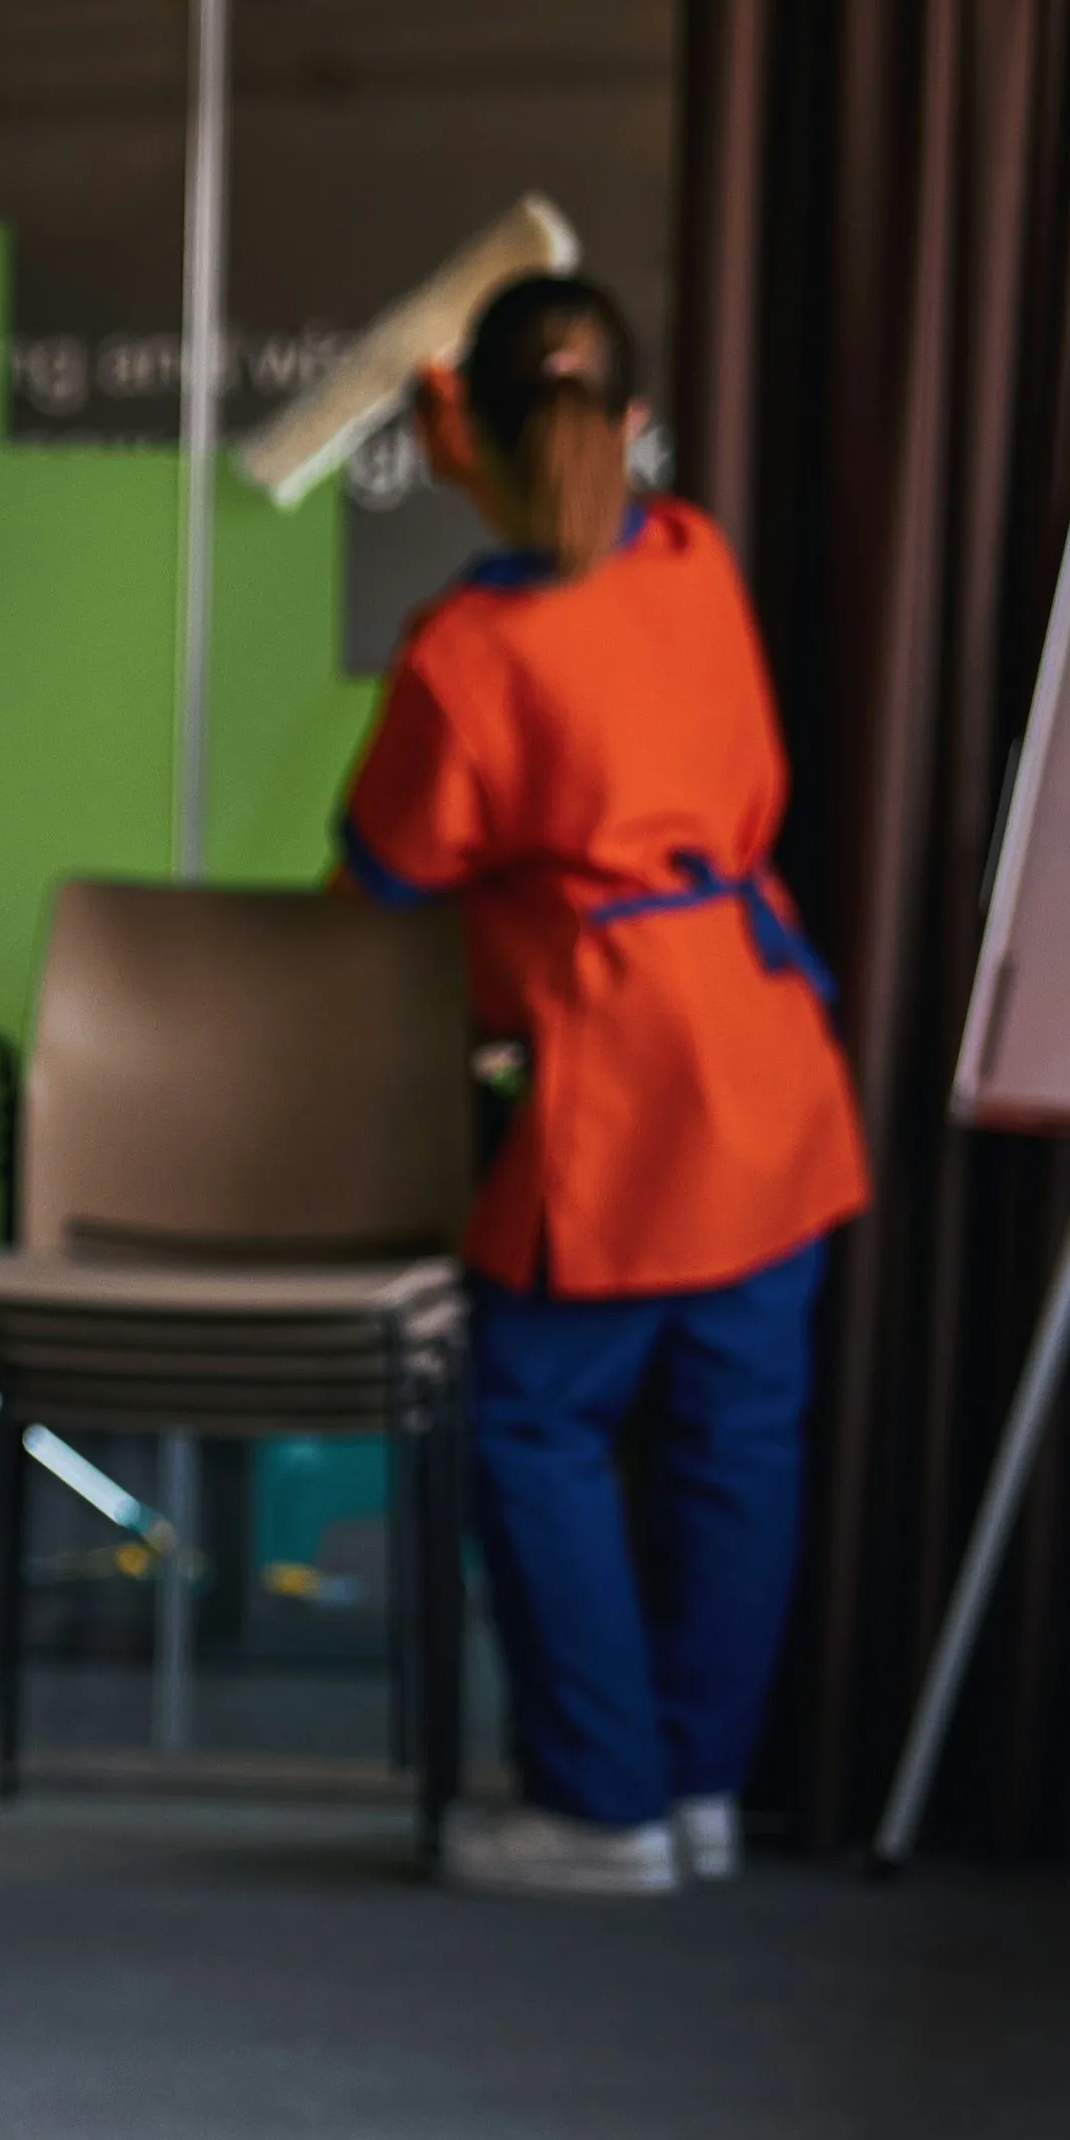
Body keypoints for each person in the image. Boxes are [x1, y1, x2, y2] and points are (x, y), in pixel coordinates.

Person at [336, 272, 870, 1902]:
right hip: (768, 1054)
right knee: (737, 1439)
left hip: (619, 1085)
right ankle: (697, 1786)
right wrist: (501, 467)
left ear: (473, 436)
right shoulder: (696, 561)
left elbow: (388, 866)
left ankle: (599, 1799)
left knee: (535, 1424)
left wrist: (471, 491)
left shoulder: (468, 650)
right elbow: (593, 525)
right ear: (634, 425)